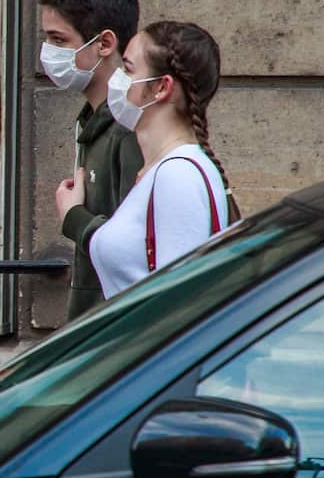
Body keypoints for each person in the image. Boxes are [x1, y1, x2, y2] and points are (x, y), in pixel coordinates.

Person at [56, 20, 239, 299]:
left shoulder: (178, 175)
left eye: (128, 69)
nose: (117, 79)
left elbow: (175, 304)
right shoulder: (168, 169)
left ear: (161, 88)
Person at [39, 0, 143, 320]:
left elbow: (135, 253)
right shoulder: (93, 121)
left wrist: (74, 217)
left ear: (104, 43)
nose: (48, 53)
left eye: (59, 40)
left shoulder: (131, 128)